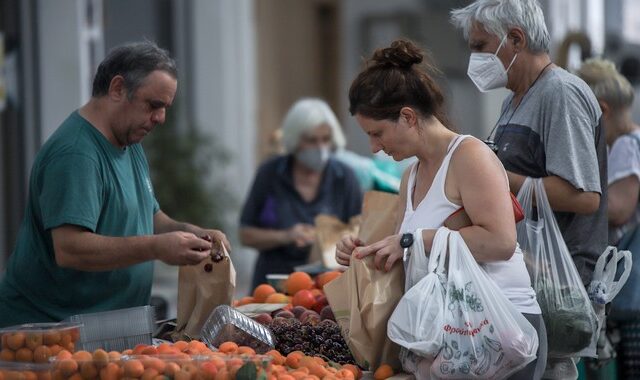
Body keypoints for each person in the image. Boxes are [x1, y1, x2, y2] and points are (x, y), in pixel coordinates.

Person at [335, 39, 546, 380]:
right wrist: (365, 251)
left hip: (500, 331)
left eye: (377, 134)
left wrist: (413, 241)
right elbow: (408, 248)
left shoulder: (469, 157)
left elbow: (500, 242)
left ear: (407, 117)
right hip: (451, 333)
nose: (375, 148)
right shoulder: (411, 177)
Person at [0, 42, 230, 327]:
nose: (160, 118)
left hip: (106, 332)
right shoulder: (76, 153)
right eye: (154, 105)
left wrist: (192, 233)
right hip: (50, 335)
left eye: (165, 108)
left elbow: (150, 217)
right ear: (118, 88)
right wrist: (157, 248)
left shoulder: (128, 139)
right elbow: (70, 248)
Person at [450, 1, 607, 378]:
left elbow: (584, 197)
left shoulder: (560, 95)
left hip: (558, 284)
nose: (474, 57)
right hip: (526, 280)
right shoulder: (513, 101)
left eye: (479, 46)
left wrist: (496, 178)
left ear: (515, 39)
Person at [240, 98, 362, 289]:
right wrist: (286, 236)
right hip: (271, 288)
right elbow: (245, 234)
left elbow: (360, 232)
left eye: (326, 139)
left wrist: (328, 237)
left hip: (327, 289)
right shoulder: (270, 174)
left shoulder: (344, 177)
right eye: (312, 140)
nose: (320, 147)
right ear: (295, 140)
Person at [577, 58, 640, 379]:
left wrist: (573, 200)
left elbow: (618, 209)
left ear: (601, 110)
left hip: (632, 296)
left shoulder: (627, 146)